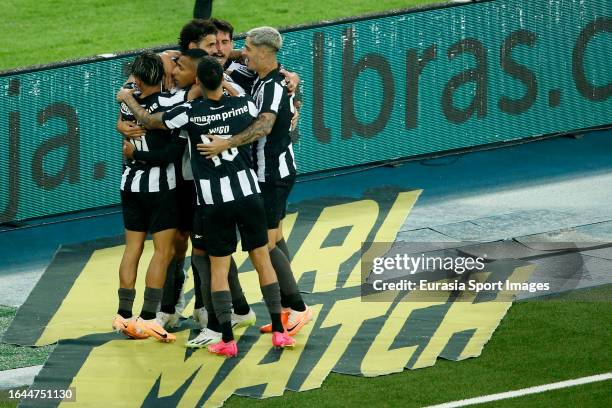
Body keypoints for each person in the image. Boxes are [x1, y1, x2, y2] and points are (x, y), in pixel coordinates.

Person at [117, 56, 296, 357]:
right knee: (262, 259)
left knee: (218, 267)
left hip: (214, 202)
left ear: (197, 82)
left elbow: (150, 121)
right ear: (220, 81)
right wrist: (226, 84)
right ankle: (279, 331)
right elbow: (251, 112)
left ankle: (226, 338)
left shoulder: (188, 112)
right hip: (249, 194)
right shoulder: (244, 105)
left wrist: (126, 102)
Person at [198, 27, 312, 336]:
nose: (241, 51)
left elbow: (264, 126)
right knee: (272, 239)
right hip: (266, 172)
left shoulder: (274, 86)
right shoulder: (264, 77)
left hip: (272, 174)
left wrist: (226, 144)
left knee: (266, 243)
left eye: (246, 47)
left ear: (262, 52)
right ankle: (289, 308)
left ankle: (298, 308)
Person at [111, 52, 187, 343]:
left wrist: (122, 126)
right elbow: (169, 154)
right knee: (163, 252)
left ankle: (123, 314)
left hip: (130, 184)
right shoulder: (173, 102)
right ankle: (148, 318)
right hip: (161, 187)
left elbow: (126, 107)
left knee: (132, 249)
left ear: (138, 78)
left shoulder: (127, 100)